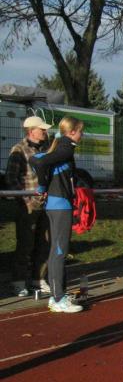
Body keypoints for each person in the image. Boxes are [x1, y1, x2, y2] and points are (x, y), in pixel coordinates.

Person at [29, 116, 84, 313]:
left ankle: (57, 295)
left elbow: (37, 160)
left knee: (56, 251)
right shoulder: (65, 148)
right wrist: (42, 186)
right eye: (81, 131)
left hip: (56, 204)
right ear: (72, 132)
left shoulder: (60, 146)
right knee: (60, 251)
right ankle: (58, 298)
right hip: (60, 205)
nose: (82, 135)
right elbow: (37, 161)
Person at [5, 116, 51, 297]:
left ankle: (39, 279)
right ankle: (18, 281)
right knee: (25, 244)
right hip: (28, 206)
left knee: (44, 243)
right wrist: (26, 200)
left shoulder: (47, 149)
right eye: (42, 129)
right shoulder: (19, 149)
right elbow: (11, 178)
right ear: (32, 131)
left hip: (47, 204)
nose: (45, 132)